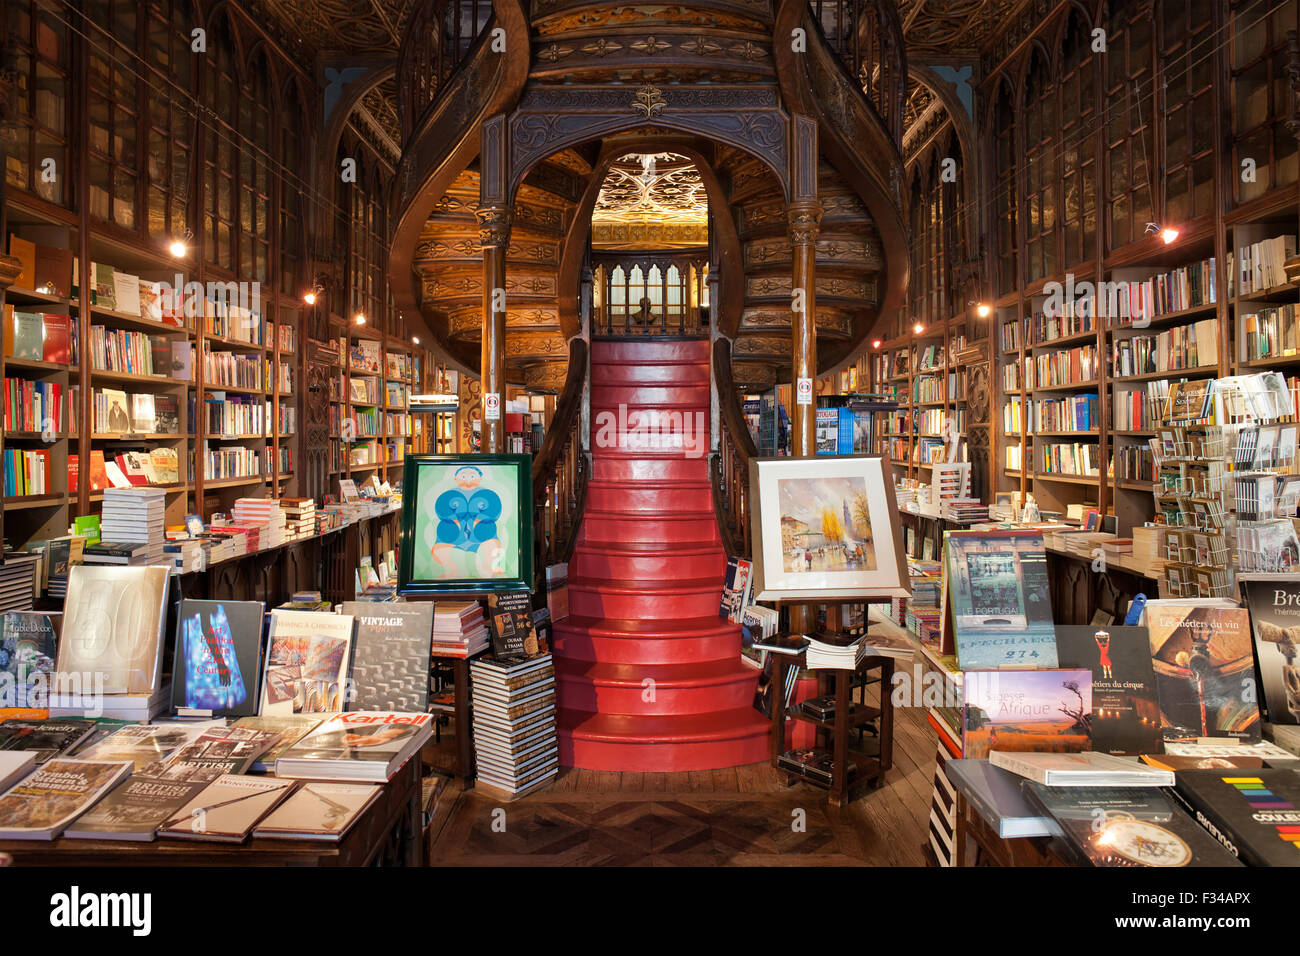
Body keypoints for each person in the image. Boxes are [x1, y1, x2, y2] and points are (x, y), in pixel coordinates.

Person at [431, 465, 506, 577]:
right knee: (438, 549)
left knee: (493, 544)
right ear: (456, 478)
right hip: (454, 537)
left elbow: (494, 511)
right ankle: (452, 570)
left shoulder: (486, 494)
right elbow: (443, 511)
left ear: (480, 478)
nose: (468, 480)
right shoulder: (450, 494)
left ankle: (487, 567)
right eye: (463, 476)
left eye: (472, 476)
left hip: (480, 536)